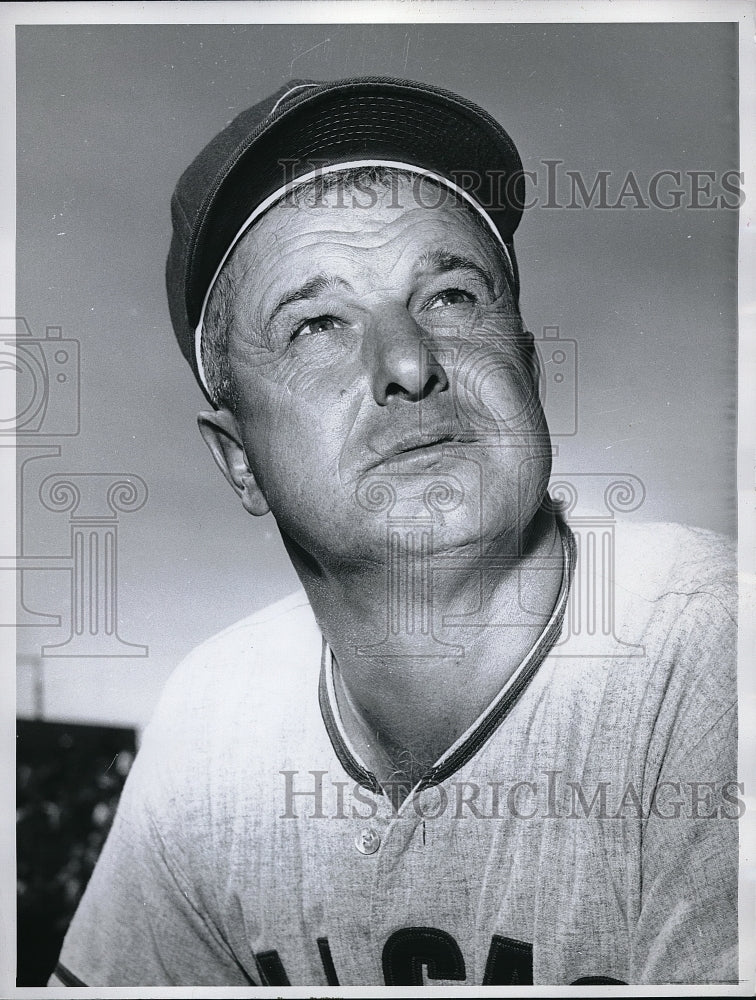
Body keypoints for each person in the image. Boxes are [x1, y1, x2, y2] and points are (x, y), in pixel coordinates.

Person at [50, 77, 738, 987]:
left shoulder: (714, 653)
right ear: (240, 459)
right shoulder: (214, 722)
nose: (409, 363)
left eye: (451, 296)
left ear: (526, 367)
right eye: (317, 325)